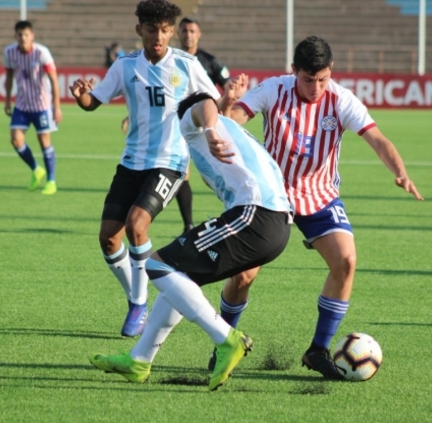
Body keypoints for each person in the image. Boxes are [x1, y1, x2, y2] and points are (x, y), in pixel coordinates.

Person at [211, 36, 423, 378]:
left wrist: (400, 172)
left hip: (319, 195)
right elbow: (235, 118)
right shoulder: (274, 89)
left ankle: (318, 350)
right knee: (244, 275)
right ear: (294, 71)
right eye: (308, 79)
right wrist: (227, 106)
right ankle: (223, 343)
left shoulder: (341, 99)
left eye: (322, 78)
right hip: (271, 195)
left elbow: (377, 138)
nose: (316, 87)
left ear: (331, 71)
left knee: (346, 261)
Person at [88, 88, 293, 391]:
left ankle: (227, 339)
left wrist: (207, 128)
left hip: (256, 215)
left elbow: (202, 104)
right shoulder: (232, 131)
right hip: (274, 225)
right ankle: (139, 359)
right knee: (181, 278)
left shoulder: (191, 122)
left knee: (158, 266)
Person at [69, 0, 222, 338]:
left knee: (138, 226)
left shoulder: (186, 64)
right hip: (131, 162)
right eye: (152, 29)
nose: (159, 36)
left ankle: (139, 304)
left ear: (172, 32)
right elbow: (94, 102)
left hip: (169, 162)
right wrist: (82, 97)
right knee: (109, 239)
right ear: (139, 30)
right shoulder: (125, 66)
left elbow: (213, 102)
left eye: (166, 30)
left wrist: (225, 107)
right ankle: (135, 298)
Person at [122, 17, 231, 234]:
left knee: (213, 176)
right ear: (177, 33)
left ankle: (228, 216)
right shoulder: (166, 61)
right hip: (178, 125)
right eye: (185, 31)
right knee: (183, 174)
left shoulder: (208, 61)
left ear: (199, 34)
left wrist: (226, 108)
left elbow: (225, 88)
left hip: (204, 126)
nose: (188, 35)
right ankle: (189, 224)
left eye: (192, 31)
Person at [4, 20, 62, 195]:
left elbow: (53, 79)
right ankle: (37, 169)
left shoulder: (41, 53)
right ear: (16, 36)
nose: (23, 38)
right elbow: (8, 76)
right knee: (16, 140)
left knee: (44, 142)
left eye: (26, 35)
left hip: (42, 105)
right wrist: (7, 100)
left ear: (32, 36)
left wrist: (56, 107)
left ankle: (51, 181)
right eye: (20, 35)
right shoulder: (9, 52)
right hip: (21, 104)